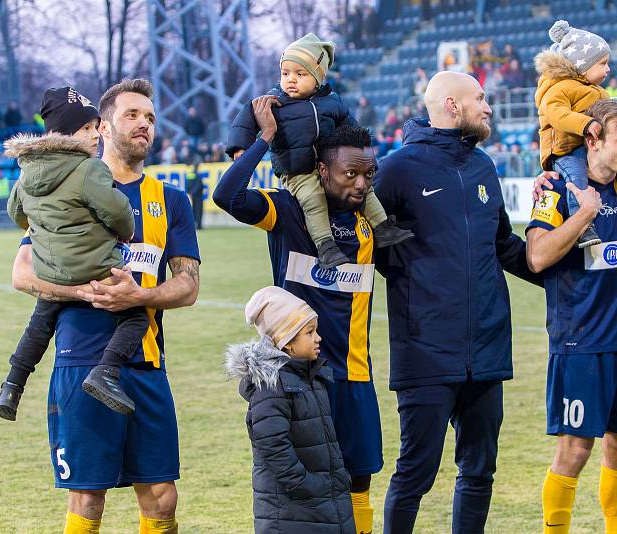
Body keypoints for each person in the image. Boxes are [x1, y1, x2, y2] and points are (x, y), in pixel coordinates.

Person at [10, 78, 200, 533]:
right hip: (80, 363)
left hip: (146, 363)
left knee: (162, 496)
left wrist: (139, 297)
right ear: (102, 125)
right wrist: (85, 291)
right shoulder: (63, 188)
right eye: (132, 115)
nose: (144, 125)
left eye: (151, 118)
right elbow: (21, 273)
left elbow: (188, 285)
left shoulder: (171, 200)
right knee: (88, 496)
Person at [374, 71, 541, 534]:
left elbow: (503, 244)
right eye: (481, 99)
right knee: (416, 472)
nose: (488, 108)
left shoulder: (483, 165)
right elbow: (369, 244)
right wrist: (416, 286)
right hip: (425, 348)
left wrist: (557, 275)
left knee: (480, 469)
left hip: (486, 346)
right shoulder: (397, 169)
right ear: (452, 104)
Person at [214, 99, 384, 534]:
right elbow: (226, 195)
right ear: (322, 172)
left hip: (355, 377)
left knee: (358, 481)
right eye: (351, 174)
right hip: (300, 382)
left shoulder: (370, 223)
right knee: (302, 490)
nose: (361, 184)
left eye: (368, 174)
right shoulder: (288, 212)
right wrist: (264, 138)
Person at [527, 98, 617, 533]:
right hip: (579, 344)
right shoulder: (558, 189)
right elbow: (536, 257)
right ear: (593, 139)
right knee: (575, 451)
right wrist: (583, 216)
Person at [0, 87, 148, 420]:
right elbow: (117, 213)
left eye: (96, 128)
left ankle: (12, 385)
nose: (95, 136)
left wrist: (43, 227)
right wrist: (125, 231)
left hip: (51, 272)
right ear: (65, 133)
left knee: (39, 324)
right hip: (94, 267)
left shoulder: (27, 172)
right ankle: (106, 372)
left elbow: (16, 213)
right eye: (87, 129)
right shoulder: (89, 169)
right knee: (136, 315)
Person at [226, 33, 412, 269]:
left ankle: (383, 228)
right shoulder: (273, 101)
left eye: (300, 74)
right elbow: (246, 119)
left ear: (318, 78)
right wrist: (240, 147)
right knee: (313, 199)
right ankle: (325, 246)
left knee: (363, 188)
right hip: (296, 171)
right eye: (285, 73)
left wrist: (367, 159)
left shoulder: (332, 102)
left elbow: (354, 131)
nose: (290, 80)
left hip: (329, 166)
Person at [226, 286, 356, 534]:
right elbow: (274, 446)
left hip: (320, 505)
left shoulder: (311, 378)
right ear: (286, 341)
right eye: (309, 332)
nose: (318, 338)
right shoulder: (271, 387)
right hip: (293, 510)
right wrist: (307, 485)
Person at [535, 20, 617, 249]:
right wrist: (586, 123)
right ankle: (582, 225)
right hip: (563, 151)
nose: (608, 69)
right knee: (577, 182)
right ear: (582, 65)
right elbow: (556, 114)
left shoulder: (599, 92)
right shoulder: (558, 88)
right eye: (603, 63)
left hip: (587, 147)